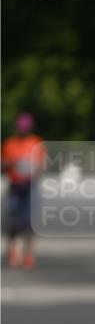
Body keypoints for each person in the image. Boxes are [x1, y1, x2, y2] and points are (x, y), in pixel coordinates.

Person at [1, 112, 45, 268]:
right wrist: (12, 164)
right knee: (12, 221)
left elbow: (41, 165)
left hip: (29, 186)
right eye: (21, 128)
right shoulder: (9, 144)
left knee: (29, 223)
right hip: (14, 185)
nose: (23, 131)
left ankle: (28, 254)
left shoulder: (36, 142)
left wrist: (32, 170)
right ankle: (11, 250)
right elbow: (2, 165)